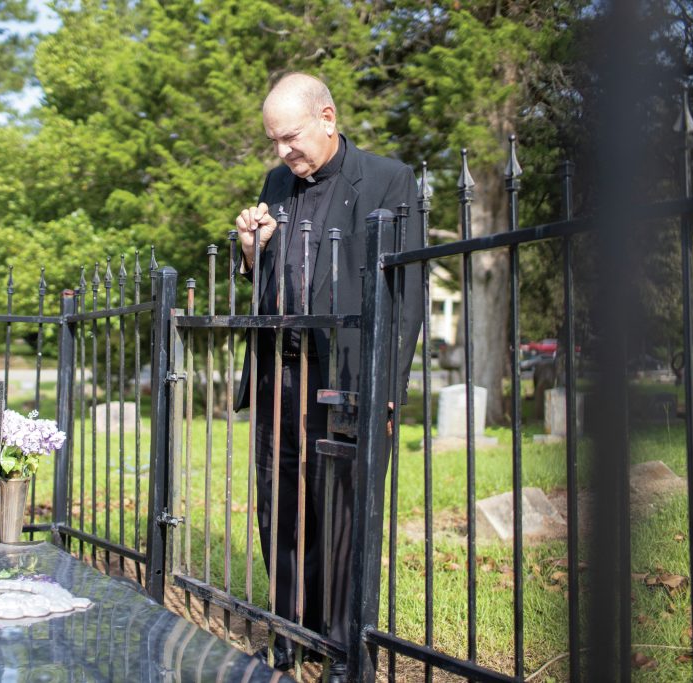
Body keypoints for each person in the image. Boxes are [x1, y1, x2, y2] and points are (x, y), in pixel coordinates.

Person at [234, 73, 423, 681]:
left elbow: (407, 297)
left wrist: (386, 390)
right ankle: (291, 636)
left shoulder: (390, 180)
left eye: (290, 138)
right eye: (274, 142)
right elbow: (272, 280)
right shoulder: (275, 185)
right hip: (279, 376)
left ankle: (344, 650)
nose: (282, 153)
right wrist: (251, 251)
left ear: (328, 117)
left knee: (342, 510)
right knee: (281, 505)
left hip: (347, 375)